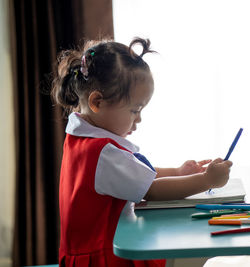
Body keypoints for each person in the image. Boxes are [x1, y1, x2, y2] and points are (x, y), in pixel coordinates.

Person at [51, 37, 233, 267]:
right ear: (96, 101)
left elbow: (135, 174)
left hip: (93, 252)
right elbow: (151, 190)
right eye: (134, 110)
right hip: (105, 258)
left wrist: (178, 172)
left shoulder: (81, 138)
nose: (139, 119)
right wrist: (207, 180)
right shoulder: (102, 152)